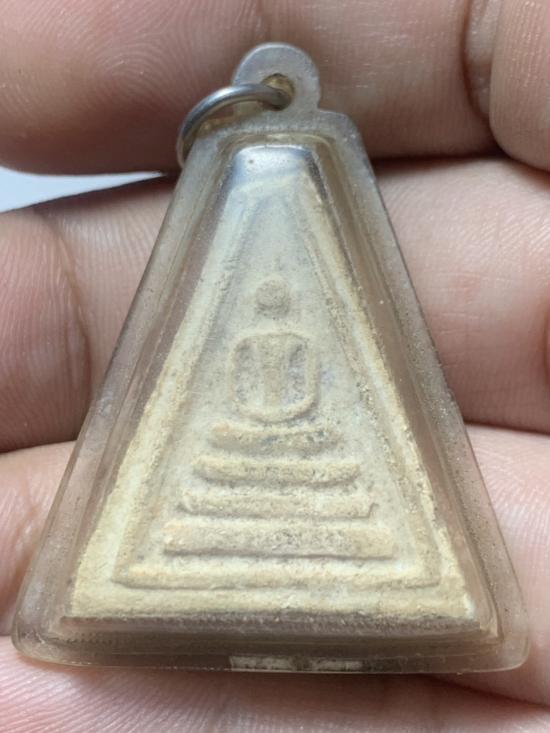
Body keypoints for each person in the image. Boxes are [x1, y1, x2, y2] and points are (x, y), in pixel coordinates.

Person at [1, 1, 549, 730]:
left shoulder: (290, 265)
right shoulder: (251, 296)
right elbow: (237, 396)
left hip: (309, 447)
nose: (271, 305)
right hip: (241, 450)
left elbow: (309, 396)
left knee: (350, 475)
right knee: (204, 468)